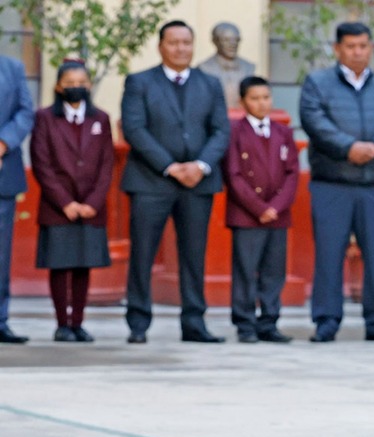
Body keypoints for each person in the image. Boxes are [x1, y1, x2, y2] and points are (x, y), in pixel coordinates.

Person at [300, 21, 374, 343]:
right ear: (337, 49)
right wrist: (349, 147)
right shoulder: (317, 83)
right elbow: (314, 120)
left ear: (371, 48)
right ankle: (326, 322)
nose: (358, 52)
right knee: (329, 255)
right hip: (331, 183)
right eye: (350, 46)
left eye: (363, 46)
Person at [121, 19, 230, 344]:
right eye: (174, 42)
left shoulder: (210, 84)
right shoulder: (140, 82)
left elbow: (221, 130)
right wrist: (170, 166)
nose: (181, 48)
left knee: (194, 255)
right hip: (150, 181)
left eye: (186, 42)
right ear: (161, 46)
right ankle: (138, 323)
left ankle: (194, 322)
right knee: (142, 254)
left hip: (198, 183)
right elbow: (134, 129)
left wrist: (199, 165)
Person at [30, 60, 113, 343]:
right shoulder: (44, 118)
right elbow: (42, 163)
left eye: (81, 83)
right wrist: (65, 202)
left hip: (92, 205)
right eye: (70, 83)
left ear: (88, 86)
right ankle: (61, 324)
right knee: (61, 264)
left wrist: (93, 201)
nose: (76, 88)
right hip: (58, 206)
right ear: (58, 87)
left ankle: (78, 323)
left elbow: (106, 165)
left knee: (83, 265)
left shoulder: (100, 119)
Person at [221, 76, 299, 343]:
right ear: (242, 102)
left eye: (266, 97)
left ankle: (269, 321)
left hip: (277, 215)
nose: (261, 103)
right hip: (247, 214)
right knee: (245, 270)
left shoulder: (283, 132)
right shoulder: (234, 132)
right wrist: (259, 208)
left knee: (273, 271)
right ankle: (245, 323)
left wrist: (276, 207)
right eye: (254, 98)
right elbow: (233, 175)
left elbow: (292, 174)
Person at [0, 54, 35, 344]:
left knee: (0, 255)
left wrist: (2, 143)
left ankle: (0, 320)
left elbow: (25, 112)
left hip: (3, 172)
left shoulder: (13, 67)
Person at [198, 22, 257, 110]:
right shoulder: (204, 68)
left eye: (236, 39)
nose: (232, 44)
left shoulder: (248, 67)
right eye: (226, 40)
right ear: (215, 41)